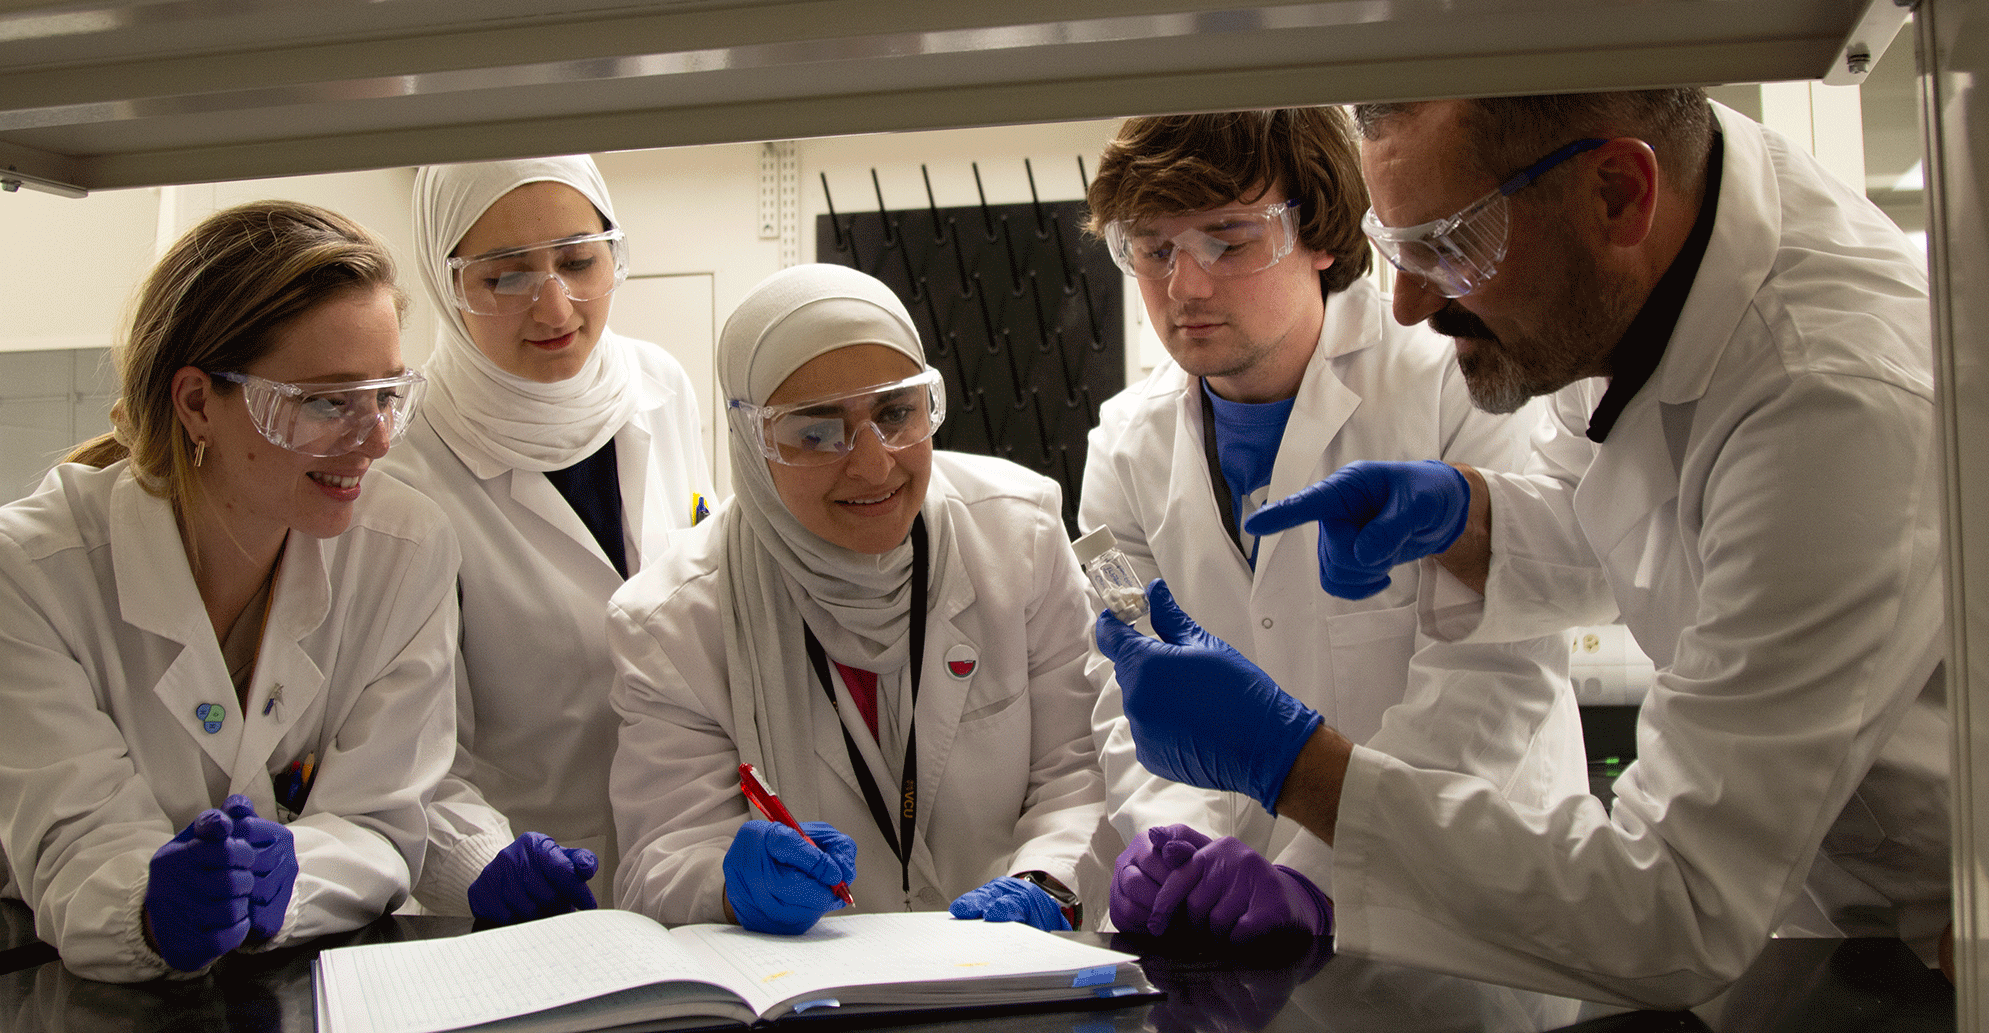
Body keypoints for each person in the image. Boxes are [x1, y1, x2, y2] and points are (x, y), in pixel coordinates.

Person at [1094, 89, 1950, 1008]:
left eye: (1450, 245)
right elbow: (1627, 532)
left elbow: (1675, 909)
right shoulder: (1652, 243)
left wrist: (1290, 764)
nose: (1410, 304)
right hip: (1805, 898)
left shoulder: (1827, 398)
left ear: (1621, 192)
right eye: (1400, 247)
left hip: (1934, 918)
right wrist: (1472, 515)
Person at [1079, 108, 1586, 947]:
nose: (1185, 286)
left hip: (1458, 911)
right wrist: (1174, 843)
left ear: (1320, 233)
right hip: (1232, 930)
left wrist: (1319, 877)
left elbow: (1494, 678)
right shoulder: (1122, 448)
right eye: (1153, 246)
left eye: (1228, 240)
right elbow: (1129, 684)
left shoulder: (1456, 382)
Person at [0, 200, 458, 982]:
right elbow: (75, 849)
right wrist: (149, 905)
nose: (376, 440)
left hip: (302, 982)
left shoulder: (404, 549)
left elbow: (381, 822)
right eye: (326, 401)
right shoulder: (33, 572)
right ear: (196, 402)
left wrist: (290, 879)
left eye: (385, 394)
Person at [609, 263, 1104, 935]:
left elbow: (1077, 770)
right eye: (816, 432)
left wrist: (1045, 878)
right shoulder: (671, 621)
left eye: (896, 412)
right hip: (807, 988)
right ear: (752, 444)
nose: (873, 465)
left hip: (1014, 970)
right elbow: (658, 860)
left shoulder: (1022, 533)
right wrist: (724, 882)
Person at [382, 155, 715, 925]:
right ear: (443, 280)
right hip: (519, 894)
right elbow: (403, 749)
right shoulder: (406, 467)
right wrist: (481, 862)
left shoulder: (660, 386)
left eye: (577, 260)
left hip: (688, 858)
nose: (555, 306)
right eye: (504, 276)